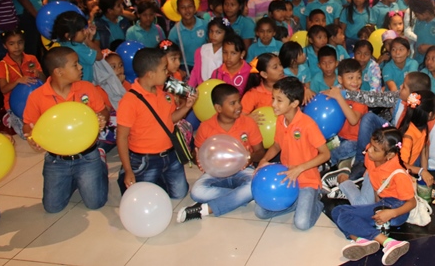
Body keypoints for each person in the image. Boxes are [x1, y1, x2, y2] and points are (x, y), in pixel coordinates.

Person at [22, 47, 110, 213]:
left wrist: (101, 118)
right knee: (52, 207)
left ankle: (100, 166)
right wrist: (31, 137)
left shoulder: (87, 88)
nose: (81, 67)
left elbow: (103, 111)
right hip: (56, 160)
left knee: (95, 203)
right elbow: (28, 124)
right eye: (75, 65)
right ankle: (75, 180)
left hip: (87, 155)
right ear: (59, 71)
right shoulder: (37, 96)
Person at [178, 83, 264, 222]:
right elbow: (197, 154)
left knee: (255, 185)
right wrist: (198, 160)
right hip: (215, 173)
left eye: (239, 101)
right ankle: (244, 197)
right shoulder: (206, 127)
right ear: (218, 108)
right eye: (233, 103)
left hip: (243, 170)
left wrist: (250, 157)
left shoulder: (248, 122)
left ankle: (205, 209)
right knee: (196, 192)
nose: (239, 106)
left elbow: (260, 152)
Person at [116, 47, 196, 198]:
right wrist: (128, 170)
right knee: (143, 198)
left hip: (170, 154)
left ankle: (158, 179)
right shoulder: (130, 101)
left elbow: (170, 119)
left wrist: (186, 107)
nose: (167, 72)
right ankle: (129, 176)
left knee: (179, 194)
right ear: (150, 74)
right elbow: (121, 137)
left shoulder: (164, 92)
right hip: (144, 158)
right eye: (164, 69)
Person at [331, 125, 414, 265]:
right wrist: (374, 206)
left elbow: (412, 203)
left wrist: (391, 213)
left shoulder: (398, 174)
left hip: (397, 210)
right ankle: (361, 240)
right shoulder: (370, 158)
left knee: (344, 216)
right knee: (336, 211)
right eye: (370, 145)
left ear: (389, 155)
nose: (369, 150)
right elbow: (376, 183)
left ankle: (389, 243)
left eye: (375, 149)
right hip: (383, 204)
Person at [255, 76, 330, 230]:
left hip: (307, 180)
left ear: (294, 103)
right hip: (287, 178)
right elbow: (277, 145)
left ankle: (317, 200)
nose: (273, 104)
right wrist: (263, 160)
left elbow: (325, 154)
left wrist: (299, 168)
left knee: (302, 223)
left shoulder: (307, 124)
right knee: (261, 212)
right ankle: (299, 203)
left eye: (279, 100)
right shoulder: (280, 120)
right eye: (273, 98)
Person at [0, 28, 44, 137]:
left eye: (20, 43)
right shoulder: (2, 65)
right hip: (15, 105)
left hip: (35, 101)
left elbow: (44, 82)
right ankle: (10, 116)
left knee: (44, 128)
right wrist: (17, 81)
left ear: (24, 43)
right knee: (26, 135)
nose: (17, 47)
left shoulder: (31, 59)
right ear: (5, 46)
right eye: (11, 44)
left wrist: (39, 74)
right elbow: (3, 89)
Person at [52, 11, 100, 84]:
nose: (86, 32)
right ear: (68, 35)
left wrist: (88, 38)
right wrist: (87, 40)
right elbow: (99, 56)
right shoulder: (77, 48)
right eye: (82, 31)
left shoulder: (63, 44)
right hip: (83, 84)